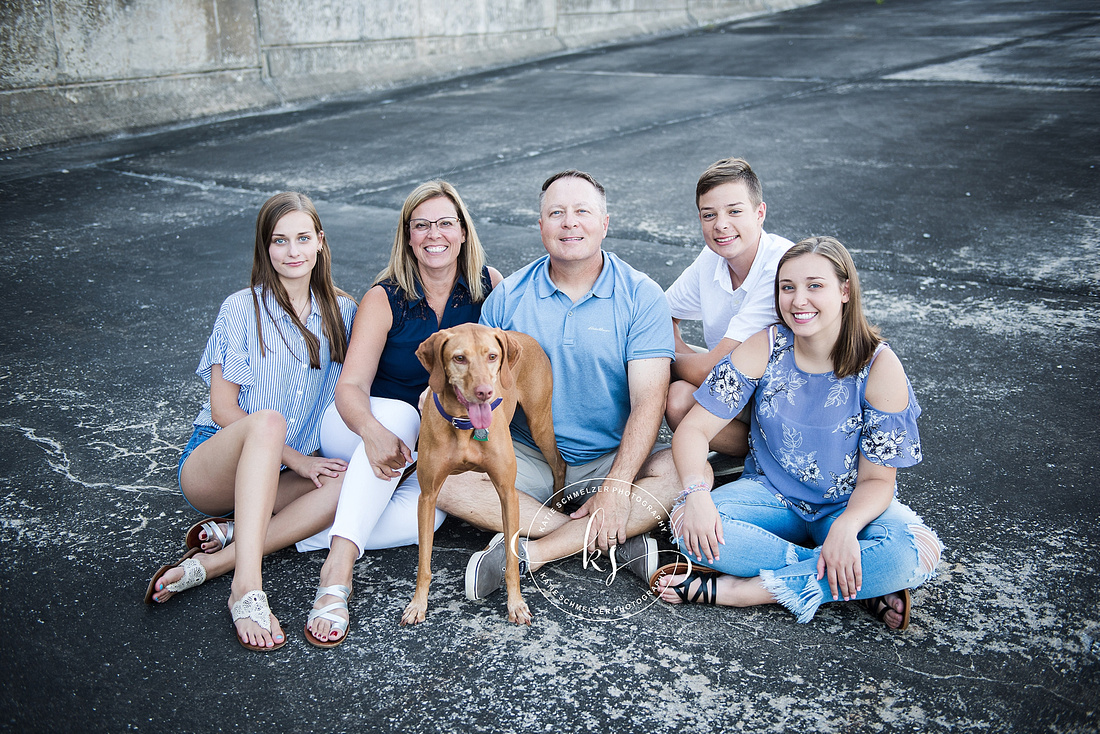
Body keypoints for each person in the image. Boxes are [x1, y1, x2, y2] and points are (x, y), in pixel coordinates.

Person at [655, 236, 942, 630]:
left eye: (814, 286)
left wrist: (845, 529)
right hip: (770, 496)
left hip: (845, 506)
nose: (798, 300)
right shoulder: (766, 346)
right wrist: (696, 492)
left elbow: (878, 480)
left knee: (913, 553)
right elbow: (693, 429)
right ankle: (852, 576)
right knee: (689, 526)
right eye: (787, 287)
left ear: (844, 290)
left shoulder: (879, 366)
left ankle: (746, 590)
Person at [437, 169, 684, 601]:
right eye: (556, 213)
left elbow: (650, 402)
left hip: (609, 456)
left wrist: (617, 486)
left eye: (582, 211)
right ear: (541, 227)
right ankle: (615, 542)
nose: (569, 222)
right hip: (527, 456)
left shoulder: (642, 296)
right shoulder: (509, 297)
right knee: (442, 480)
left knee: (684, 471)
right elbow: (483, 392)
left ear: (604, 223)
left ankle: (536, 553)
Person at [146, 192, 356, 652]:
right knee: (266, 422)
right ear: (266, 248)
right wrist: (298, 460)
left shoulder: (344, 313)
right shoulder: (242, 308)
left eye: (303, 238)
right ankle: (246, 585)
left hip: (281, 474)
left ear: (321, 241)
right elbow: (223, 409)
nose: (293, 251)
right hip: (216, 464)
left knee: (351, 481)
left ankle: (215, 559)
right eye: (280, 241)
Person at [304, 181, 502, 647]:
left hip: (426, 445)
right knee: (405, 414)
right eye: (422, 225)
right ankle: (337, 572)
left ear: (463, 232)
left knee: (427, 519)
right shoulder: (384, 296)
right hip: (361, 425)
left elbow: (502, 360)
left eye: (445, 223)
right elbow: (349, 387)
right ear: (408, 237)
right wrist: (372, 431)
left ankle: (279, 532)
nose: (435, 234)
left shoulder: (488, 285)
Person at [664, 158, 794, 457]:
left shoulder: (780, 265)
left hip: (784, 403)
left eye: (734, 211)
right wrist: (685, 358)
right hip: (735, 388)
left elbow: (717, 369)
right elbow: (660, 316)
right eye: (709, 214)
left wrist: (665, 361)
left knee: (655, 371)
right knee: (678, 399)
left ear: (760, 213)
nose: (721, 225)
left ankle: (775, 461)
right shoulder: (713, 256)